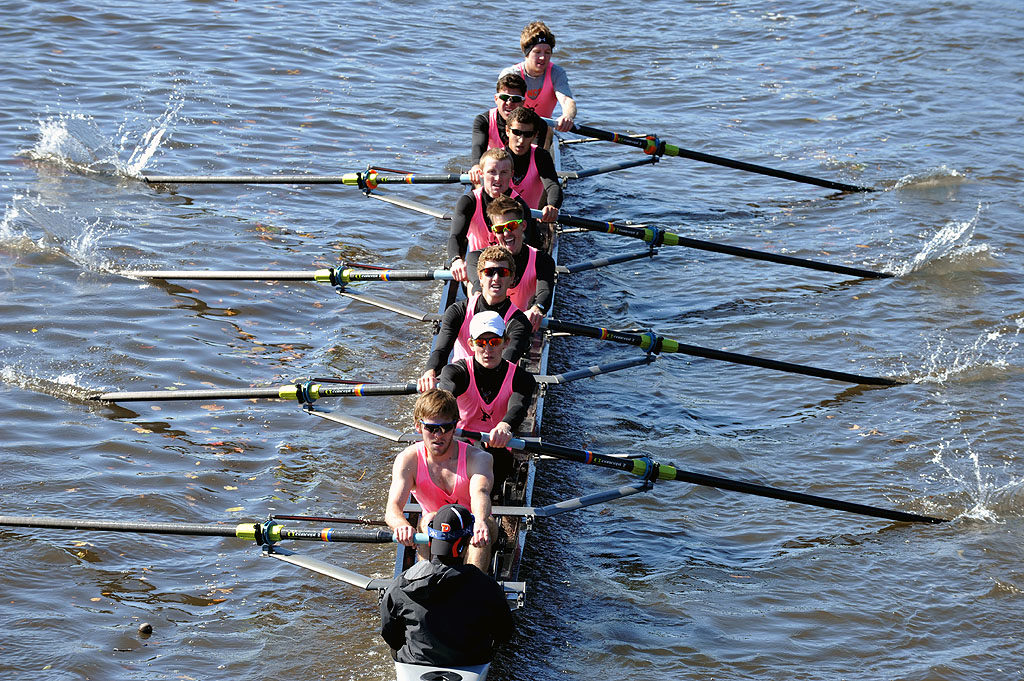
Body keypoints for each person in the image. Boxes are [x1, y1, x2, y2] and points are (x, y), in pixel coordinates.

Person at [380, 503, 514, 669]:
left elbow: (389, 634)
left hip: (414, 659)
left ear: (430, 540)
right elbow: (505, 633)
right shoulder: (486, 586)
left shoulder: (402, 583)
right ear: (467, 542)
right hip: (472, 661)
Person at [385, 390, 498, 571]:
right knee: (428, 519)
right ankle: (427, 580)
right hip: (434, 529)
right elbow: (392, 509)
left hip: (472, 527)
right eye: (431, 428)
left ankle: (473, 586)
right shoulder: (408, 459)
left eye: (445, 428)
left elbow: (480, 492)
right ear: (418, 426)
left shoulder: (478, 458)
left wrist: (480, 521)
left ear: (455, 426)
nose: (439, 435)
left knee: (485, 523)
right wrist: (401, 525)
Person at [438, 310, 537, 489]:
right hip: (460, 441)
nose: (488, 350)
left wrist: (505, 425)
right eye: (481, 343)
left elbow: (518, 407)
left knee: (487, 458)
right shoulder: (455, 372)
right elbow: (446, 397)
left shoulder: (522, 379)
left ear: (506, 343)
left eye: (494, 342)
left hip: (497, 445)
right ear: (471, 344)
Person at [420, 245, 532, 393]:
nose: (496, 278)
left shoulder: (519, 322)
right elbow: (441, 350)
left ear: (511, 278)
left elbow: (507, 359)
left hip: (499, 387)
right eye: (489, 272)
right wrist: (430, 372)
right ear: (480, 277)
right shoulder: (457, 311)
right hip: (460, 383)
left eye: (503, 272)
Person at [447, 148, 542, 282]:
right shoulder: (468, 202)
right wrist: (456, 260)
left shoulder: (520, 206)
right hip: (479, 270)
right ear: (481, 173)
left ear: (511, 174)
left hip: (512, 270)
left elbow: (529, 244)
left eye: (503, 173)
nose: (498, 178)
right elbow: (455, 237)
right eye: (492, 172)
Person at [467, 195, 555, 331]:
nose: (507, 233)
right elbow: (477, 286)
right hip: (486, 325)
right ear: (493, 232)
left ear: (523, 225)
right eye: (500, 229)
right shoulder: (476, 258)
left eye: (512, 226)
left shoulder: (542, 260)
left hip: (520, 323)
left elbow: (545, 292)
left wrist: (538, 308)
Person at [469, 72, 549, 183]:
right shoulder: (483, 121)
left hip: (524, 170)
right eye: (504, 97)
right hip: (494, 170)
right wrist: (476, 166)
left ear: (523, 101)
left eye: (515, 99)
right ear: (496, 99)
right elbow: (478, 147)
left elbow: (533, 157)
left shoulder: (538, 124)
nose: (509, 103)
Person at [500, 21, 577, 132]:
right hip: (515, 129)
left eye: (547, 52)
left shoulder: (556, 73)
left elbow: (567, 101)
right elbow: (504, 107)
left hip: (542, 129)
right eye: (537, 52)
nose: (542, 57)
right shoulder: (511, 74)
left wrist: (567, 117)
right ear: (526, 53)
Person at [501, 106, 561, 220]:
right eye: (517, 132)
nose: (521, 140)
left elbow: (552, 185)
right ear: (507, 131)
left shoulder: (540, 156)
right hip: (501, 219)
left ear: (534, 135)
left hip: (529, 220)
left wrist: (552, 206)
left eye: (527, 134)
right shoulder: (496, 158)